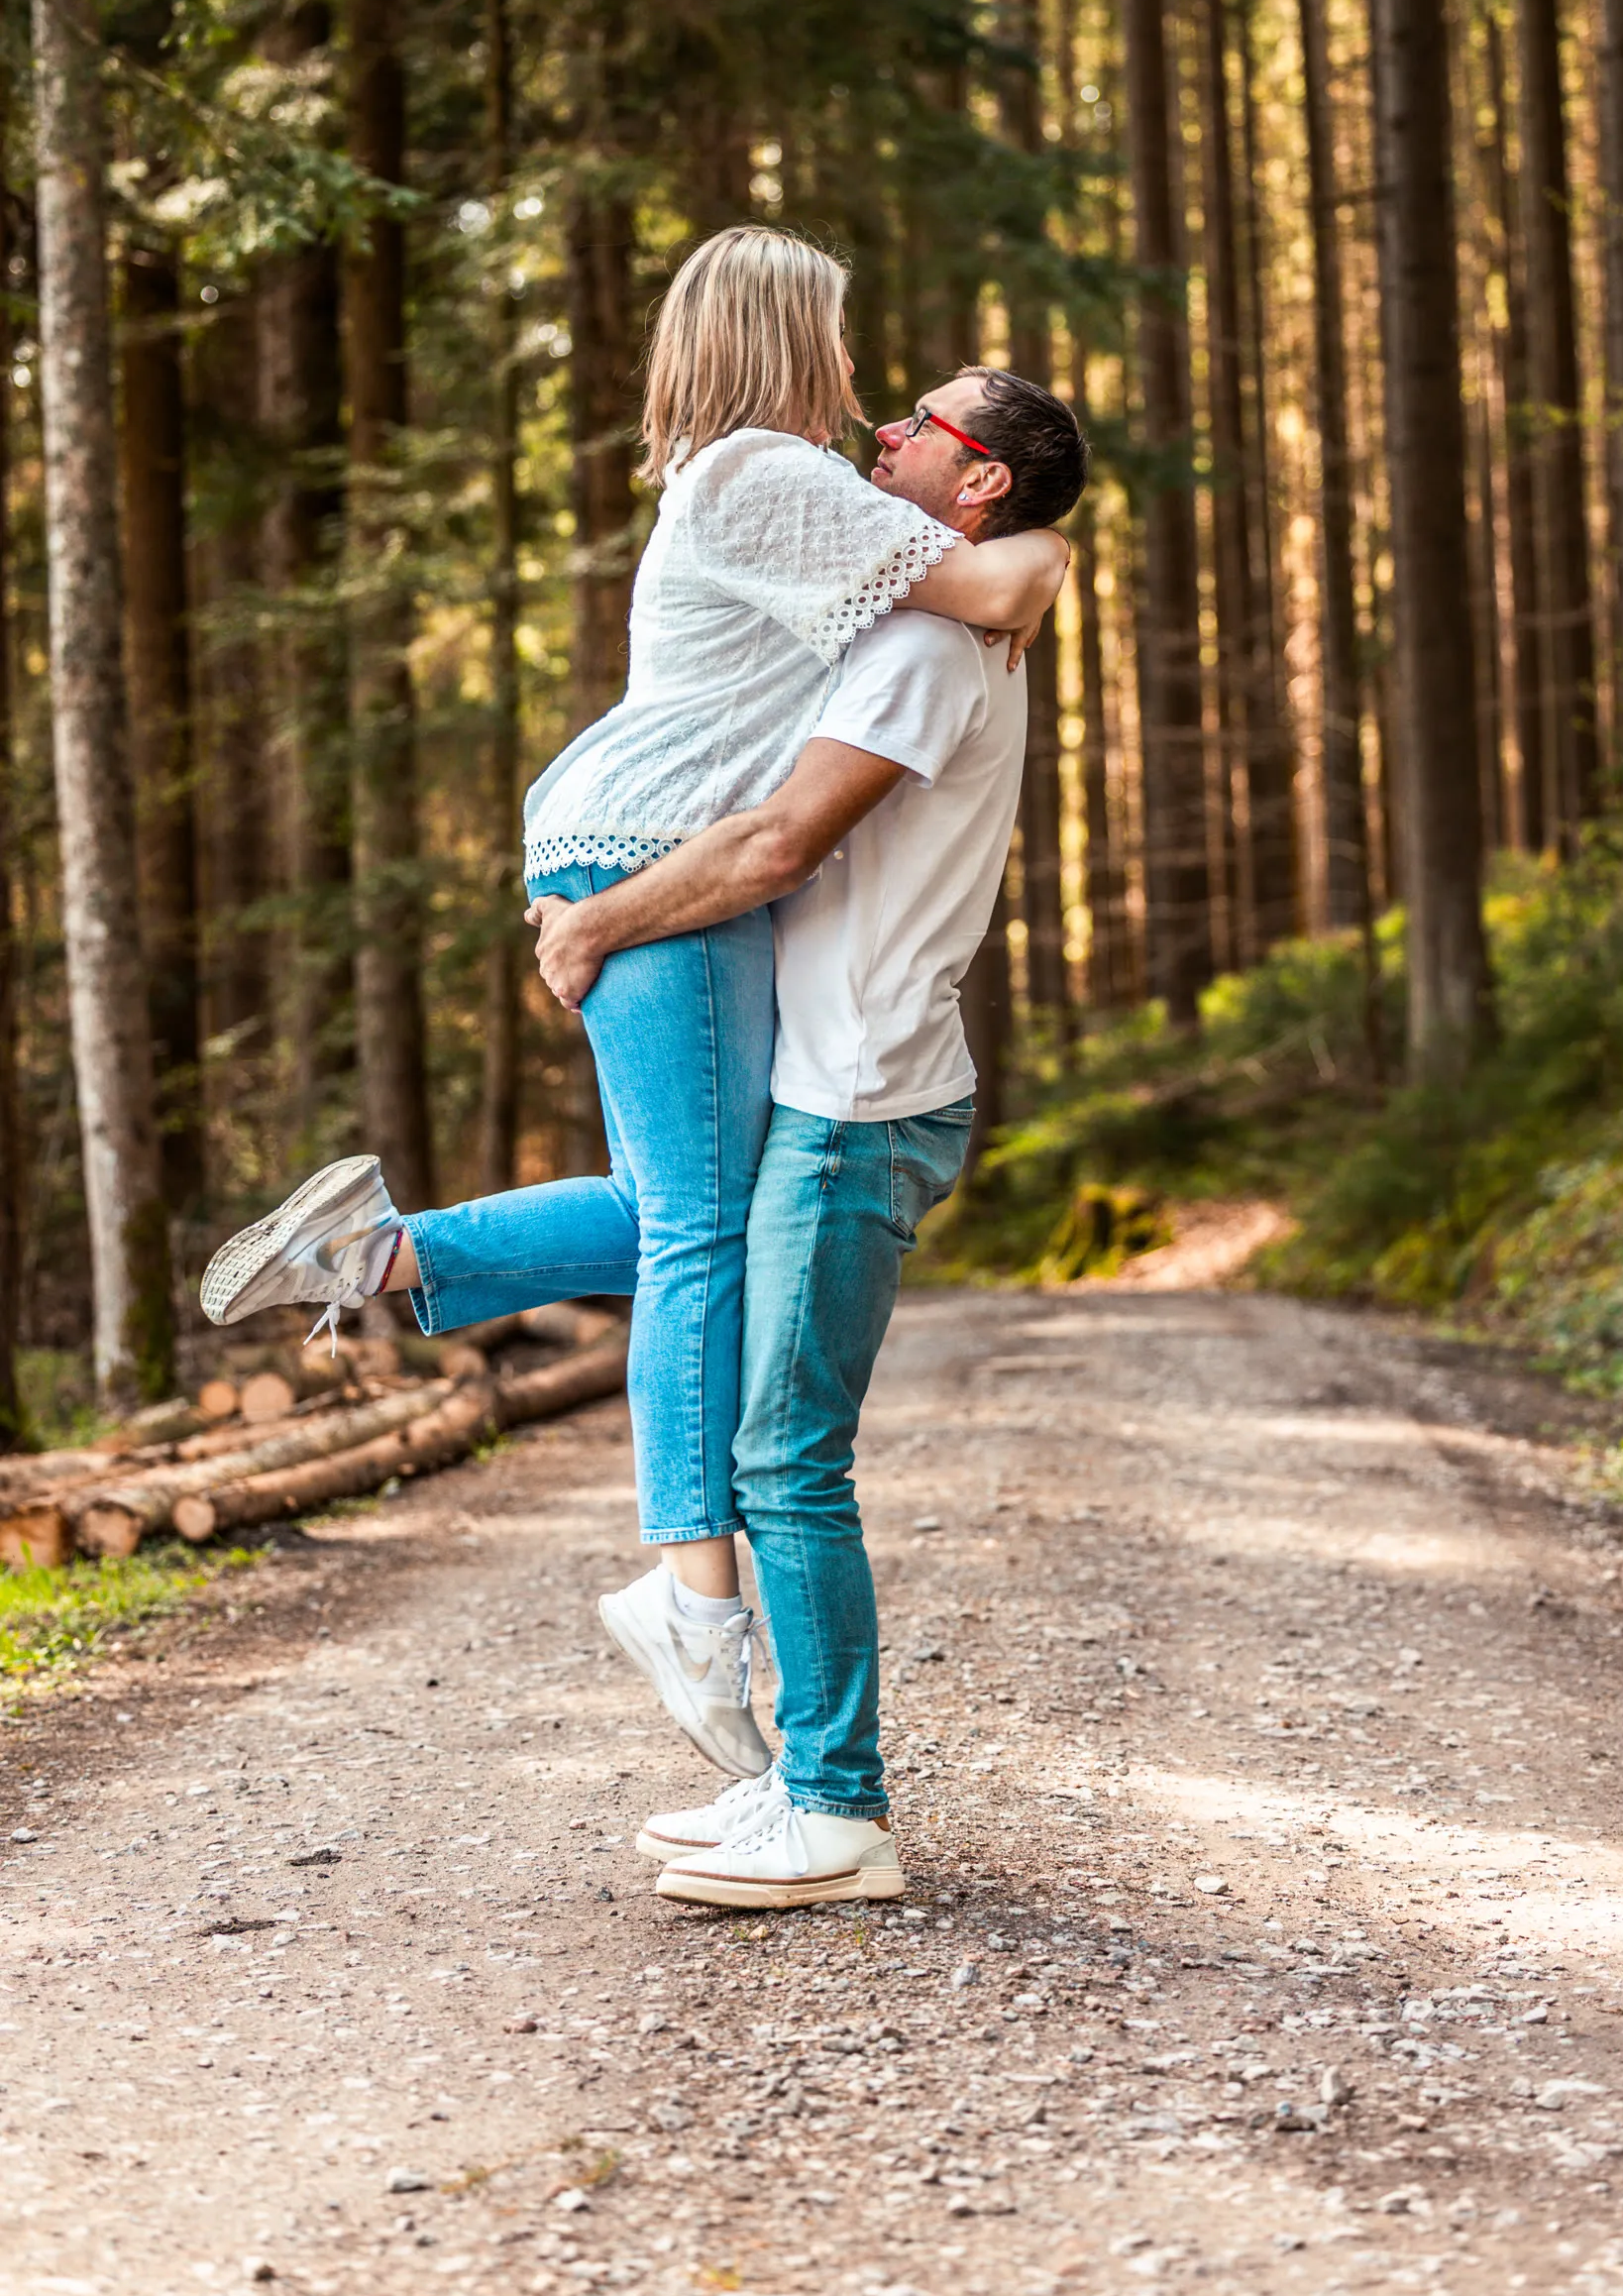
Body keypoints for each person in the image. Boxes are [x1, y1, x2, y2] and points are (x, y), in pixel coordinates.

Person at [198, 230, 1070, 1783]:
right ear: (781, 334)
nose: (866, 389)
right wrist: (1040, 557)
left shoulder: (774, 480)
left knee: (690, 1212)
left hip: (646, 848)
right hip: (664, 859)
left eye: (911, 406)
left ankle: (377, 1252)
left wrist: (1038, 552)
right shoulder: (766, 475)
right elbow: (1003, 569)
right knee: (699, 1231)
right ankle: (691, 1598)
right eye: (842, 341)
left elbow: (1011, 558)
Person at [525, 363, 1088, 1907]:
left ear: (980, 483)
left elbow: (775, 843)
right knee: (690, 1266)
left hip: (860, 1100)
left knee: (787, 1451)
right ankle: (798, 1784)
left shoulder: (923, 648)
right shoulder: (931, 614)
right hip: (845, 1082)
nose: (883, 433)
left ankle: (839, 1810)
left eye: (921, 426)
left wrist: (597, 925)